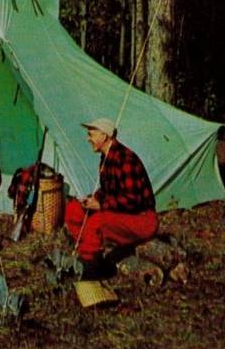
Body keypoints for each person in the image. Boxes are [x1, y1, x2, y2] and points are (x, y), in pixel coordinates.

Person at [64, 118, 158, 278]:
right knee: (73, 210)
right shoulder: (107, 158)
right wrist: (92, 200)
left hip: (142, 219)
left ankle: (90, 268)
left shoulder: (125, 159)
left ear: (104, 135)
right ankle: (86, 252)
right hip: (122, 214)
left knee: (97, 222)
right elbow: (109, 190)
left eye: (91, 134)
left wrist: (101, 205)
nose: (88, 139)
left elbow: (133, 200)